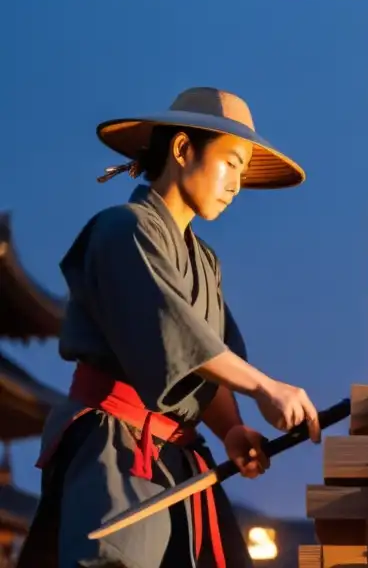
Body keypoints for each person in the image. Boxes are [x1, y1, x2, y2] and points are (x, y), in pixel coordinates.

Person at [18, 87, 322, 568]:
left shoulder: (204, 260)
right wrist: (265, 386)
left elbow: (207, 357)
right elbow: (176, 334)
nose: (237, 184)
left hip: (176, 455)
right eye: (231, 163)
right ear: (182, 150)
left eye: (242, 171)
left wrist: (232, 429)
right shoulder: (122, 229)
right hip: (117, 448)